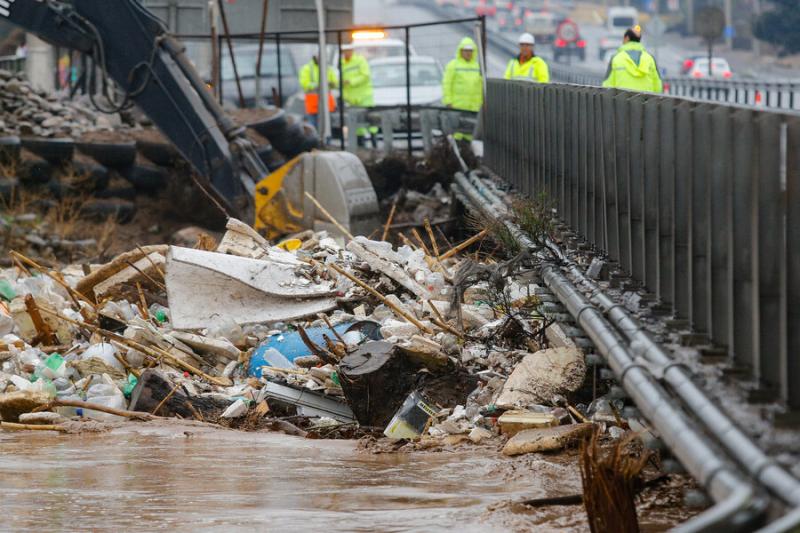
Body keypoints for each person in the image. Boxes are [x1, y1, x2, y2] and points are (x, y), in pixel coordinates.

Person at [442, 37, 483, 141]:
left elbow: (482, 86)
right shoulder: (453, 65)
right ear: (460, 51)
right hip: (457, 107)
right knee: (457, 134)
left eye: (470, 51)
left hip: (474, 108)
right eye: (466, 51)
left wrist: (482, 103)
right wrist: (448, 101)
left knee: (471, 134)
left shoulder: (478, 67)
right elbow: (447, 84)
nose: (468, 53)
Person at [602, 25, 663, 93]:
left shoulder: (616, 58)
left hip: (622, 101)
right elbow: (658, 86)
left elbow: (607, 85)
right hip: (646, 101)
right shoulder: (650, 58)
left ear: (627, 38)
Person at [298, 55, 338, 128]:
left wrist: (332, 83)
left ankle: (326, 139)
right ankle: (315, 139)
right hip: (313, 101)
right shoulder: (307, 68)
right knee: (313, 125)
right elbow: (304, 83)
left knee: (327, 125)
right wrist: (320, 84)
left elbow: (335, 82)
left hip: (326, 101)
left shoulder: (328, 68)